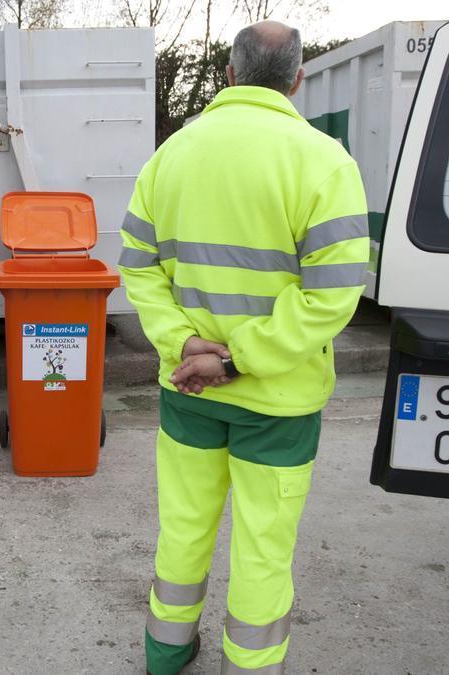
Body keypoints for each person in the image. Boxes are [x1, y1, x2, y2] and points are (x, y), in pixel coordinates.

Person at [117, 21, 369, 674]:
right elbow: (333, 295)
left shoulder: (168, 157)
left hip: (189, 392)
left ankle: (165, 653)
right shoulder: (326, 162)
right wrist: (238, 357)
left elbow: (137, 266)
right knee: (262, 548)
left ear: (228, 75)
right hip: (278, 403)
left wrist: (184, 343)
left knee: (184, 529)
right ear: (298, 78)